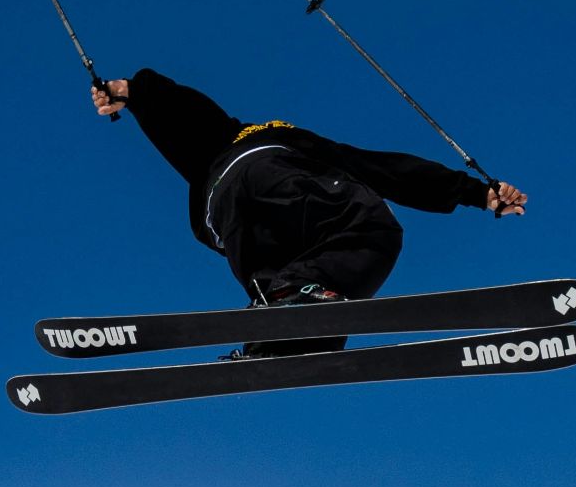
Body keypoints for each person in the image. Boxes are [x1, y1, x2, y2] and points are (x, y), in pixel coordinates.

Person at [91, 69, 527, 358]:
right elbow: (385, 170)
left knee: (307, 303)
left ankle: (272, 336)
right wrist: (475, 193)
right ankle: (287, 302)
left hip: (221, 220)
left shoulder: (211, 147)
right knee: (375, 230)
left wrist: (138, 94)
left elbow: (185, 118)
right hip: (272, 179)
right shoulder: (276, 138)